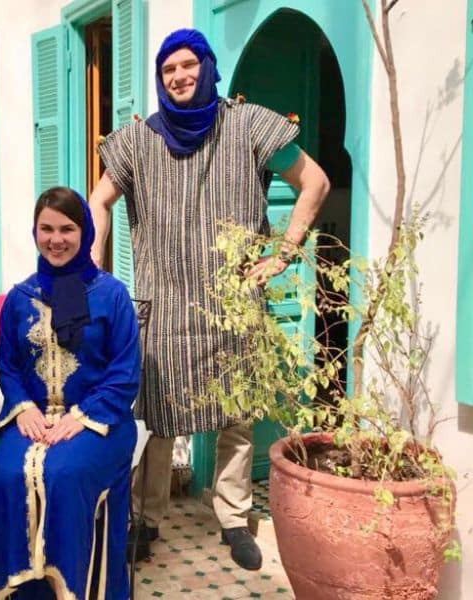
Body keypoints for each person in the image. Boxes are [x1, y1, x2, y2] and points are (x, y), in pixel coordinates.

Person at [90, 29, 331, 570]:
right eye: (168, 68)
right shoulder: (137, 140)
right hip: (164, 303)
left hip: (232, 304)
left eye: (187, 65)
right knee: (157, 416)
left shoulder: (246, 124)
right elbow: (99, 199)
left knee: (236, 417)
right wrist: (94, 265)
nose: (178, 76)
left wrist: (285, 254)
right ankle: (146, 517)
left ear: (207, 66)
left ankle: (232, 516)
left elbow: (313, 180)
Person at [0, 187, 141, 599]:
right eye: (46, 229)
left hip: (99, 421)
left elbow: (125, 371)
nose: (56, 239)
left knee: (64, 473)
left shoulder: (111, 295)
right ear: (35, 232)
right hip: (34, 418)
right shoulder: (22, 298)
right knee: (4, 474)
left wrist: (82, 416)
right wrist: (21, 408)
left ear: (85, 232)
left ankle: (73, 589)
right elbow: (8, 364)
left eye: (67, 229)